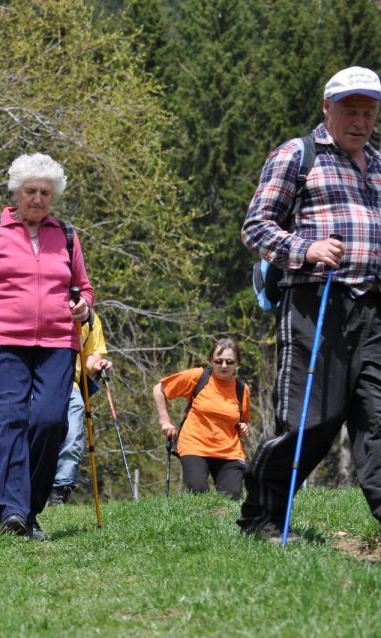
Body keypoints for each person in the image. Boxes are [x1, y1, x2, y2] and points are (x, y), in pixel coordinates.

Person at [239, 66, 381, 541]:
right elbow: (256, 226)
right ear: (327, 109)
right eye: (350, 110)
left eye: (368, 111)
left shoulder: (379, 165)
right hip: (315, 302)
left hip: (372, 308)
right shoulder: (298, 156)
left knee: (377, 418)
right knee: (312, 421)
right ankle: (262, 515)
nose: (360, 121)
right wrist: (307, 249)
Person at [0, 152, 93, 540]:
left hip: (58, 341)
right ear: (16, 191)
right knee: (10, 421)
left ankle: (28, 507)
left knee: (51, 420)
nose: (37, 199)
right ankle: (14, 514)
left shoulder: (65, 235)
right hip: (3, 341)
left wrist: (84, 305)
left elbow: (85, 289)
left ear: (54, 196)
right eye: (30, 191)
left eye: (45, 193)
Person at [154, 338, 250, 500]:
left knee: (231, 498)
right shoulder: (198, 377)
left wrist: (244, 427)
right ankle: (196, 524)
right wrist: (165, 422)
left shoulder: (242, 389)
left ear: (237, 363)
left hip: (229, 450)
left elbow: (244, 420)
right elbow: (159, 389)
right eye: (218, 361)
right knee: (196, 490)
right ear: (211, 361)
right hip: (195, 445)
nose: (224, 366)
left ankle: (219, 524)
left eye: (229, 362)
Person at [50, 311, 111, 505]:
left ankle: (61, 490)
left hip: (72, 384)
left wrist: (99, 364)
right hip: (37, 382)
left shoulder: (91, 319)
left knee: (73, 435)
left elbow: (91, 358)